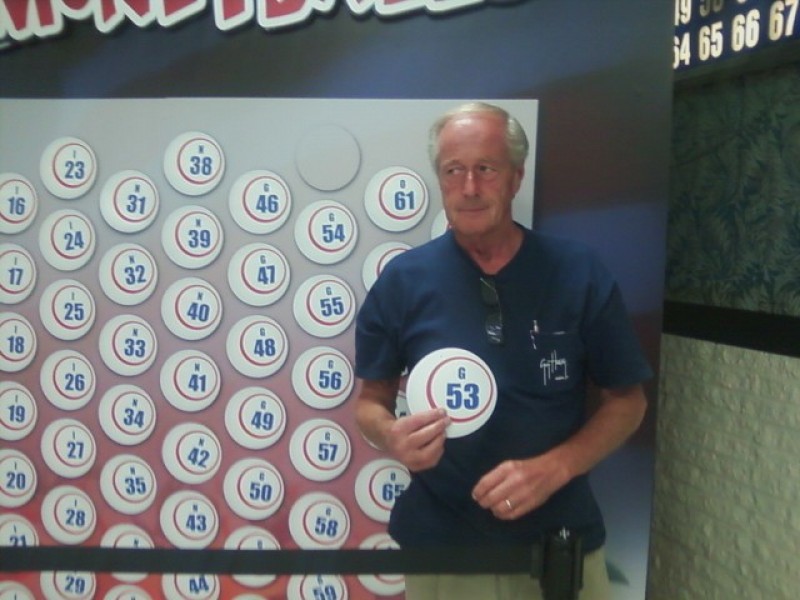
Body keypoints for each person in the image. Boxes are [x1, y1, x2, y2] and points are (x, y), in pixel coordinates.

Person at [353, 101, 652, 600]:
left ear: (516, 178)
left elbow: (629, 402)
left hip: (562, 544)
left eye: (486, 169)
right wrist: (390, 435)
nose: (469, 187)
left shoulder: (578, 272)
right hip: (444, 548)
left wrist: (556, 467)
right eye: (454, 170)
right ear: (440, 179)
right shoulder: (403, 282)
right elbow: (370, 401)